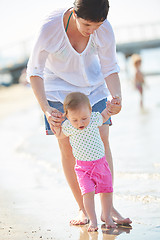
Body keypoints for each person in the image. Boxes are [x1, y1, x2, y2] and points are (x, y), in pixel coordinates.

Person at [27, 0, 132, 226]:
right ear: (74, 13)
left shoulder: (104, 29)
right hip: (58, 89)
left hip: (93, 87)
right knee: (67, 146)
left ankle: (107, 208)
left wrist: (117, 97)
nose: (92, 31)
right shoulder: (50, 29)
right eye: (86, 25)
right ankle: (83, 209)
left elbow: (110, 67)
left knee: (102, 141)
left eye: (97, 25)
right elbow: (34, 71)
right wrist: (46, 108)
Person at [54, 92, 117, 232]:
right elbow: (59, 135)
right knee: (87, 193)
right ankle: (93, 220)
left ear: (90, 111)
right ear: (67, 116)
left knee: (107, 190)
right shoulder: (68, 127)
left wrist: (110, 107)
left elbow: (105, 115)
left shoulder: (94, 118)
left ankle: (107, 216)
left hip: (101, 164)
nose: (80, 123)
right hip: (83, 169)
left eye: (84, 118)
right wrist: (56, 128)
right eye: (75, 120)